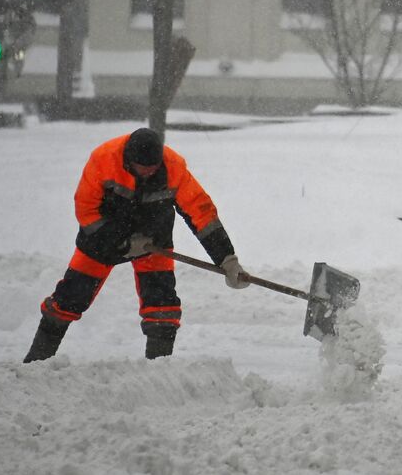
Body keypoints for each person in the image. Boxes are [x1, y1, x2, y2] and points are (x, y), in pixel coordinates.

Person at [23, 128, 249, 363]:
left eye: (154, 167)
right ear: (129, 161)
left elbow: (202, 214)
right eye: (144, 167)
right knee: (69, 299)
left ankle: (157, 368)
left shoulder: (174, 168)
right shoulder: (103, 159)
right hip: (101, 242)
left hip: (153, 243)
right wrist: (121, 242)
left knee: (162, 307)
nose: (150, 172)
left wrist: (227, 259)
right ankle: (36, 362)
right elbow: (86, 210)